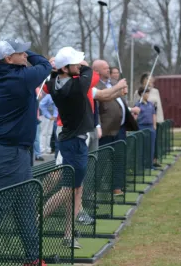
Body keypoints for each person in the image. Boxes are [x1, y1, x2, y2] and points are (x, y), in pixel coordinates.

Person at [44, 47, 126, 249]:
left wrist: (57, 67)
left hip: (74, 139)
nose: (80, 66)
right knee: (69, 189)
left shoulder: (55, 82)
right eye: (75, 64)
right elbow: (90, 72)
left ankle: (69, 234)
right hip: (72, 142)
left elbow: (53, 80)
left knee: (75, 189)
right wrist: (71, 65)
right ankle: (37, 220)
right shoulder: (76, 85)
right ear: (66, 68)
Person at [0, 38, 51, 265]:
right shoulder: (20, 78)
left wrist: (20, 51)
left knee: (24, 208)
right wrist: (34, 54)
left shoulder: (0, 74)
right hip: (9, 153)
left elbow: (39, 65)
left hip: (17, 151)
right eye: (21, 53)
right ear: (8, 58)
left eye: (26, 53)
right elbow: (45, 65)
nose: (26, 56)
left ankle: (33, 258)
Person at [92, 59, 139, 196]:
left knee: (119, 158)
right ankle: (95, 190)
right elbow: (97, 108)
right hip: (106, 130)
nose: (108, 69)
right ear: (97, 71)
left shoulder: (114, 83)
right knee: (101, 161)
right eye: (105, 68)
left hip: (120, 128)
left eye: (108, 67)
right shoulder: (96, 86)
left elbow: (120, 103)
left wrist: (129, 111)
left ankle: (117, 187)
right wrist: (98, 126)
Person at [135, 87, 159, 168]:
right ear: (142, 94)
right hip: (141, 127)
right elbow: (134, 116)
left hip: (151, 127)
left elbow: (154, 115)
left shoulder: (151, 104)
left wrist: (154, 126)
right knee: (141, 147)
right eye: (146, 93)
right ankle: (141, 165)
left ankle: (150, 165)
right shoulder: (138, 104)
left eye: (149, 93)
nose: (148, 95)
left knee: (151, 147)